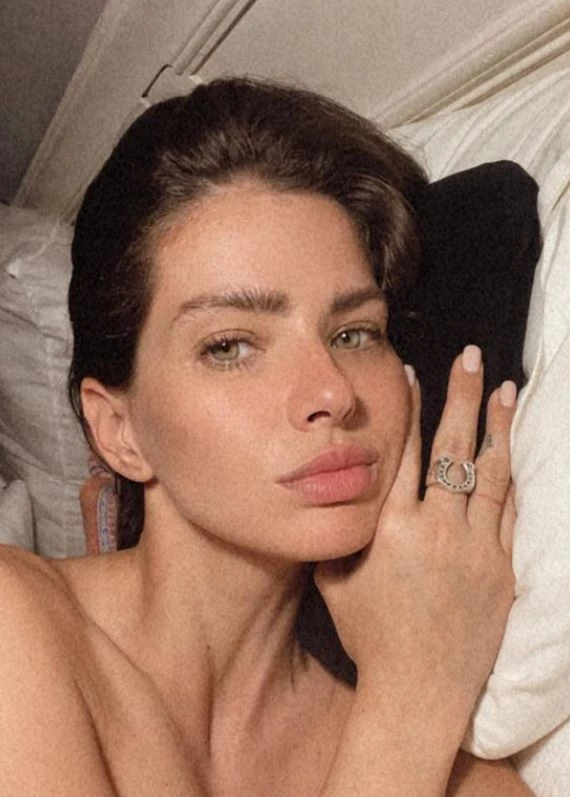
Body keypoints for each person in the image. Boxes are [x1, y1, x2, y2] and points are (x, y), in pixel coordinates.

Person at [0, 77, 534, 796]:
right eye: (230, 346)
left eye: (354, 333)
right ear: (119, 430)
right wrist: (410, 694)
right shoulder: (15, 623)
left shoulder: (461, 767)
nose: (332, 392)